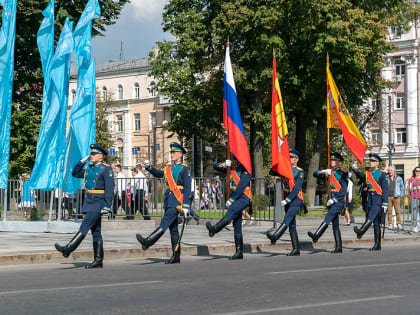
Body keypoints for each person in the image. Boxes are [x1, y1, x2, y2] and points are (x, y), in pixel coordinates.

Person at [55, 144, 114, 269]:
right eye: (91, 154)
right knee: (96, 231)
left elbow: (110, 189)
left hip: (98, 202)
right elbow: (75, 173)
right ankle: (98, 260)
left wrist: (107, 205)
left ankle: (68, 249)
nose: (91, 156)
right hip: (89, 201)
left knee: (85, 225)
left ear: (100, 156)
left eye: (93, 154)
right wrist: (83, 161)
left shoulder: (106, 169)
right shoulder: (89, 168)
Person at [136, 142, 192, 264]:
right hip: (169, 200)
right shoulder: (169, 168)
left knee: (165, 222)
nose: (172, 154)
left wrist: (186, 205)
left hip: (177, 201)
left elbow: (188, 188)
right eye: (171, 152)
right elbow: (160, 174)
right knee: (173, 229)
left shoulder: (185, 169)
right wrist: (149, 167)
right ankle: (176, 256)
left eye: (174, 153)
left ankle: (148, 241)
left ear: (180, 155)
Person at [206, 155, 252, 260]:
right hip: (236, 197)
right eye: (235, 158)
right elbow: (215, 166)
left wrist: (232, 199)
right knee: (237, 224)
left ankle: (215, 229)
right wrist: (224, 164)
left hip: (243, 197)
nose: (236, 160)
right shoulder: (232, 168)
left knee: (230, 212)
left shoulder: (246, 168)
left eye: (237, 158)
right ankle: (239, 252)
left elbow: (241, 186)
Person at [266, 149, 304, 256]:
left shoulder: (300, 171)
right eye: (289, 157)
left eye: (292, 157)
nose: (290, 159)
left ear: (296, 160)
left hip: (295, 199)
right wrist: (278, 163)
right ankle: (296, 249)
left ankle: (276, 236)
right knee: (292, 225)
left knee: (287, 218)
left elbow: (296, 188)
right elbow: (271, 172)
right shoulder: (285, 169)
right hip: (287, 197)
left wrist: (287, 200)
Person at [308, 152, 348, 254]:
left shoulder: (343, 174)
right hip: (331, 200)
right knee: (335, 224)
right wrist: (322, 171)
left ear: (339, 162)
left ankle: (317, 235)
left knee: (328, 217)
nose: (332, 162)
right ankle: (338, 247)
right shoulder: (329, 173)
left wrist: (334, 200)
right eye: (331, 160)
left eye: (334, 160)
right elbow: (314, 174)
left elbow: (343, 191)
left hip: (337, 201)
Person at [352, 153, 388, 251]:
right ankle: (377, 245)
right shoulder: (368, 173)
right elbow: (361, 176)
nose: (371, 162)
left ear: (377, 163)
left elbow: (385, 189)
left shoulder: (382, 174)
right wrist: (355, 169)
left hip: (378, 198)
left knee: (371, 216)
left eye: (373, 161)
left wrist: (385, 203)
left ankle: (361, 231)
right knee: (376, 223)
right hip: (370, 198)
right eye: (370, 161)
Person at [386, 165, 404, 230]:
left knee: (397, 210)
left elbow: (402, 187)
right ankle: (390, 223)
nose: (389, 171)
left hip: (396, 196)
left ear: (394, 171)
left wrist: (401, 195)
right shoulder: (386, 178)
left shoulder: (399, 178)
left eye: (391, 170)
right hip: (388, 196)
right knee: (389, 211)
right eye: (389, 170)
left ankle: (399, 223)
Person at [407, 167, 420, 231]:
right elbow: (410, 188)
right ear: (414, 172)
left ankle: (419, 225)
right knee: (414, 211)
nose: (418, 172)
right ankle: (415, 226)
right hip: (414, 196)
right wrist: (418, 187)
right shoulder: (412, 178)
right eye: (416, 171)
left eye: (419, 171)